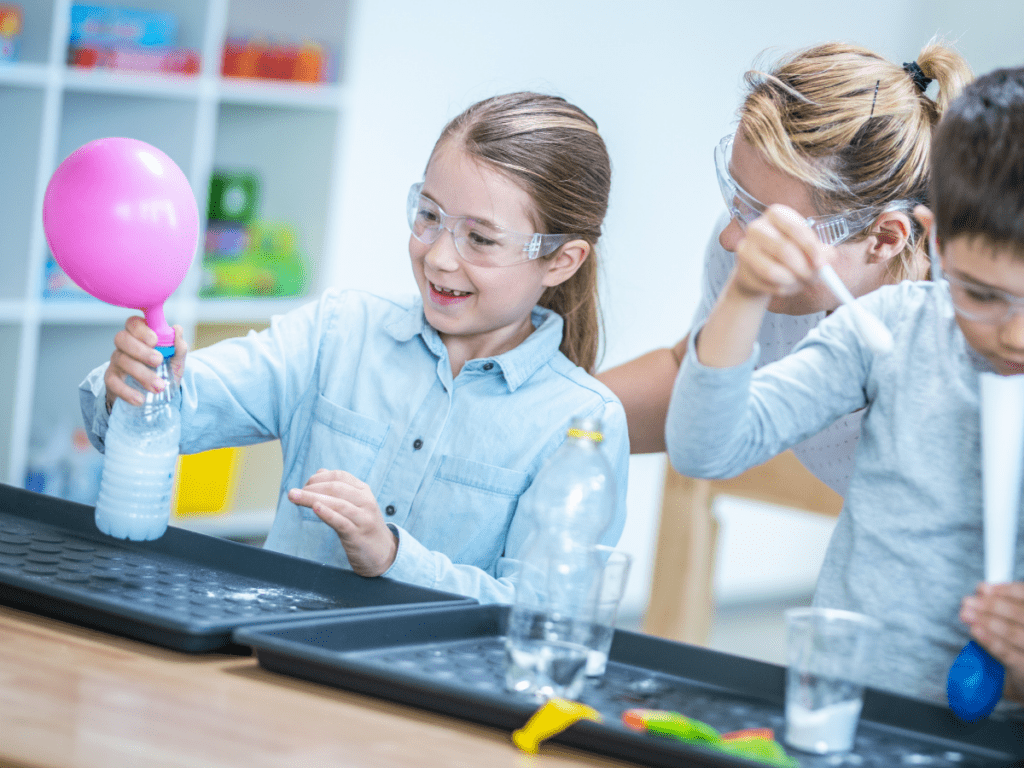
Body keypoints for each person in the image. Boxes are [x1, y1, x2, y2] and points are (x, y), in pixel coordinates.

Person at [79, 92, 629, 604]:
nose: (438, 257)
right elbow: (182, 411)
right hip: (270, 662)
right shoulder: (339, 331)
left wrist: (393, 556)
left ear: (561, 260)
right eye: (430, 216)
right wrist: (139, 388)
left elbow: (545, 615)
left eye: (480, 239)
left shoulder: (581, 421)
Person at [665, 67, 1024, 707]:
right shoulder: (888, 334)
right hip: (840, 715)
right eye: (981, 294)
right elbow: (704, 449)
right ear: (936, 244)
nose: (1016, 334)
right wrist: (744, 293)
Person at [599, 41, 971, 497]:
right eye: (737, 200)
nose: (732, 240)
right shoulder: (758, 264)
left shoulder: (970, 343)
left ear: (885, 238)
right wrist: (539, 417)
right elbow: (692, 384)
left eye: (762, 216)